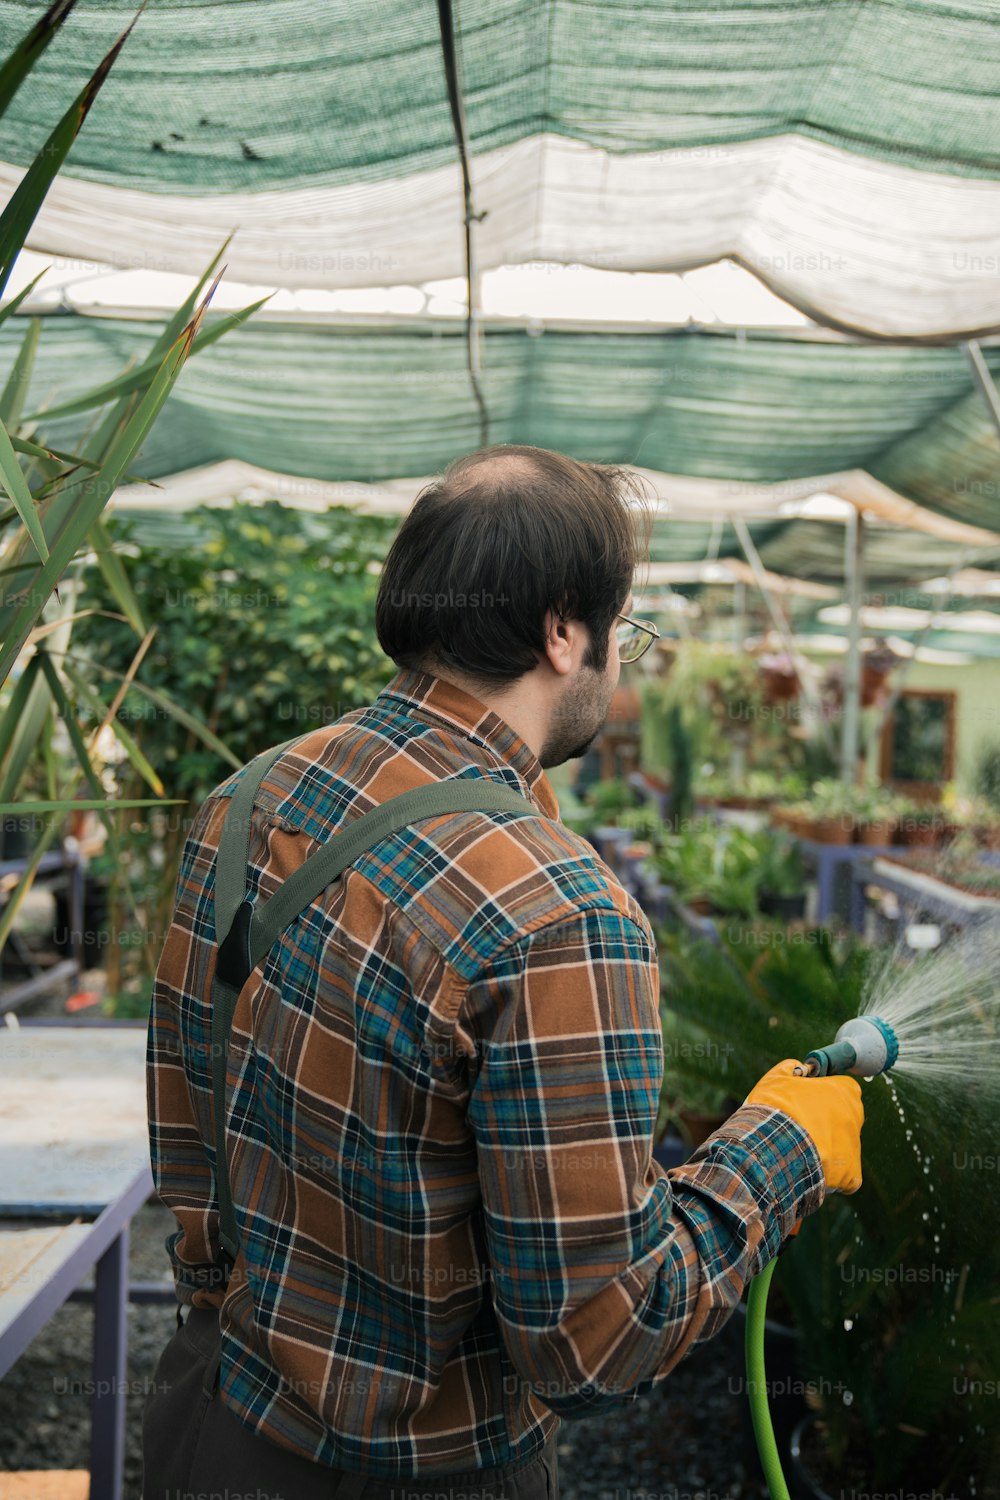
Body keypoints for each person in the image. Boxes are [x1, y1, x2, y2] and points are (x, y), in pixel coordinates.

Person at [142, 445, 864, 1500]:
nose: (621, 663)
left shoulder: (248, 799)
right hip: (416, 1475)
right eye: (626, 632)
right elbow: (593, 1340)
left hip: (210, 1426)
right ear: (565, 628)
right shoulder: (557, 912)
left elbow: (189, 1144)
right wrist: (782, 1150)